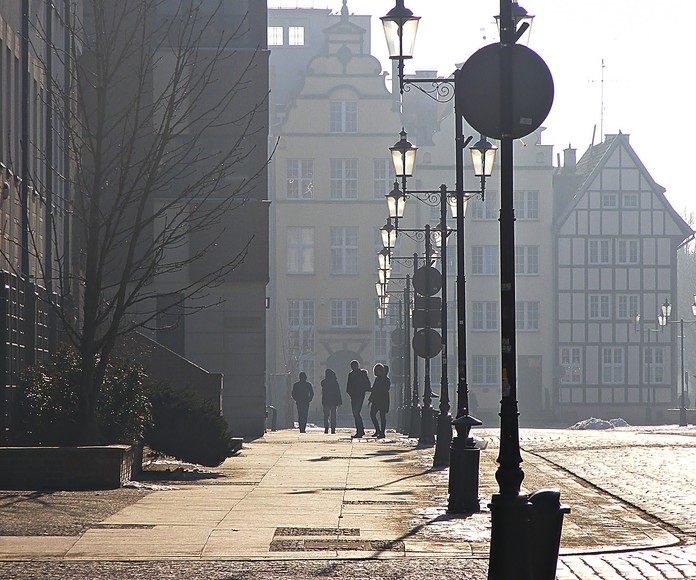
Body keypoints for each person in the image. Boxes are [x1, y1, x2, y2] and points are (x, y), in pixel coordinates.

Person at [346, 360, 371, 438]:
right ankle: (360, 430)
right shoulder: (350, 375)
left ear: (357, 366)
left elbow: (367, 384)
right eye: (352, 366)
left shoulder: (362, 374)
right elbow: (348, 385)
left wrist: (362, 389)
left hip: (360, 395)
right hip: (353, 396)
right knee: (355, 413)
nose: (353, 367)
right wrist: (350, 393)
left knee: (356, 412)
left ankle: (360, 431)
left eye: (355, 366)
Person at [369, 363, 390, 438]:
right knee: (372, 414)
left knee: (382, 416)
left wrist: (375, 391)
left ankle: (382, 432)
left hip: (383, 400)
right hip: (376, 400)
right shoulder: (377, 379)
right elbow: (374, 389)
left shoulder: (386, 380)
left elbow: (385, 389)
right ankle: (378, 430)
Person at [321, 368, 342, 434]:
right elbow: (338, 392)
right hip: (333, 401)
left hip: (326, 401)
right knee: (333, 416)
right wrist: (339, 401)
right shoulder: (335, 382)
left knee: (326, 415)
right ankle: (333, 428)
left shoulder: (324, 382)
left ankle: (326, 428)